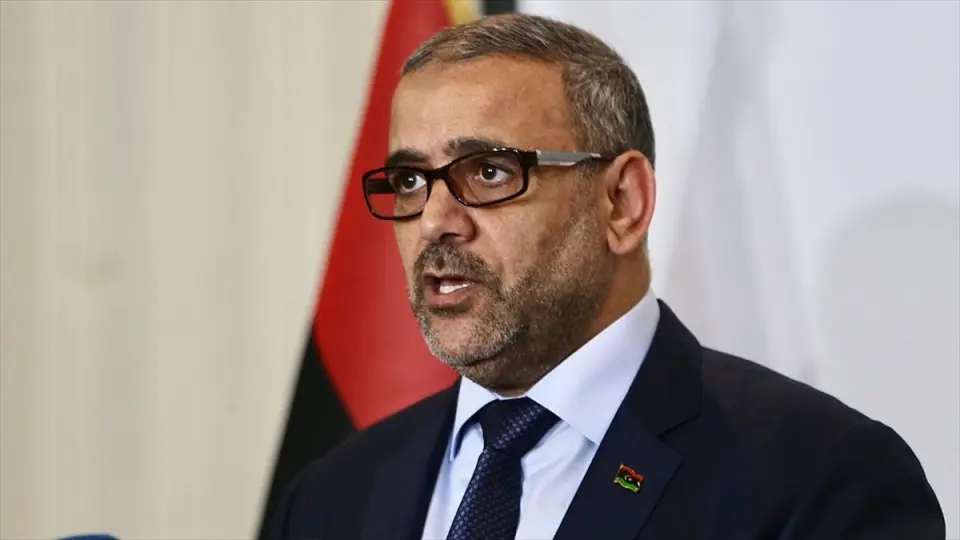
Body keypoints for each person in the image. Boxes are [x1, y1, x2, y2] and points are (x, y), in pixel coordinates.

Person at [270, 13, 944, 540]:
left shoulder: (818, 478)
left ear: (622, 202)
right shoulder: (332, 497)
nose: (436, 221)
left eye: (490, 172)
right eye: (411, 181)